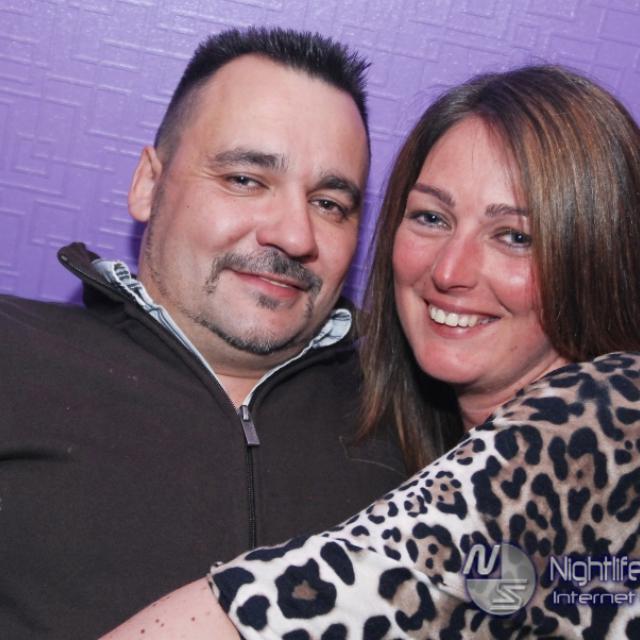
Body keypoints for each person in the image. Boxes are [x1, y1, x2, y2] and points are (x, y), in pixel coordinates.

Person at [102, 65, 640, 638]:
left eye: (515, 237)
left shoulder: (615, 412)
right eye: (431, 217)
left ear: (597, 256)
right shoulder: (405, 438)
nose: (449, 271)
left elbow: (335, 599)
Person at [0, 28, 409, 639]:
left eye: (329, 203)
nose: (295, 235)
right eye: (246, 179)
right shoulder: (12, 352)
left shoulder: (413, 419)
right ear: (148, 184)